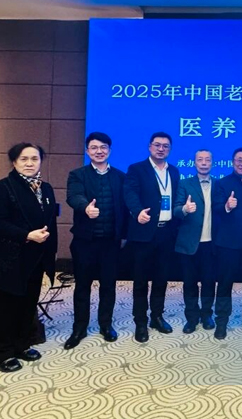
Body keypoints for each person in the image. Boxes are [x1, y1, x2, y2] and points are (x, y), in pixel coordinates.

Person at [64, 132, 128, 350]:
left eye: (103, 147)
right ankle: (79, 328)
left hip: (110, 242)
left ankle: (105, 325)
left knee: (108, 286)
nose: (99, 151)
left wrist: (124, 235)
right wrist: (85, 207)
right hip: (85, 242)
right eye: (94, 147)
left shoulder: (120, 176)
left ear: (109, 150)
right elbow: (73, 196)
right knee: (83, 286)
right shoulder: (77, 175)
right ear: (87, 151)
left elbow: (124, 209)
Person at [0, 143, 57, 373]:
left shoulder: (46, 188)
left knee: (28, 303)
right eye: (24, 159)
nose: (30, 163)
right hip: (12, 258)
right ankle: (4, 352)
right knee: (8, 306)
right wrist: (26, 235)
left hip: (37, 257)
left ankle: (22, 344)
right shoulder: (4, 188)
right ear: (14, 162)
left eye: (35, 158)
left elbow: (51, 222)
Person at [124, 132, 180, 342]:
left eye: (165, 146)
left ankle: (157, 316)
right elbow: (130, 193)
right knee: (140, 280)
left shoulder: (174, 171)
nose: (161, 149)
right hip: (144, 232)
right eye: (157, 145)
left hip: (166, 233)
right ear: (149, 147)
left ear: (170, 149)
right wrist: (137, 211)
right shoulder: (136, 169)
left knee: (161, 278)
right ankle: (140, 321)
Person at [212, 147, 242, 338]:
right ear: (233, 162)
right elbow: (216, 207)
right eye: (239, 160)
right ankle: (222, 321)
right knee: (225, 283)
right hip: (227, 242)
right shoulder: (222, 183)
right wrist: (226, 206)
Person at [173, 149, 217, 335]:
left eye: (207, 160)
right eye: (200, 159)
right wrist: (184, 209)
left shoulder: (219, 185)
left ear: (212, 163)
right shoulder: (184, 184)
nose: (204, 163)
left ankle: (207, 315)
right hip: (189, 243)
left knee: (209, 282)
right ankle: (191, 318)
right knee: (189, 283)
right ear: (195, 163)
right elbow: (175, 210)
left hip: (212, 243)